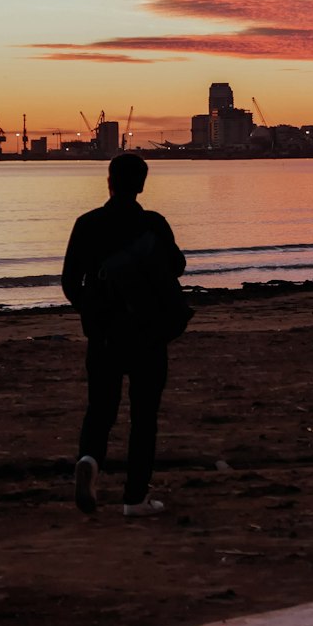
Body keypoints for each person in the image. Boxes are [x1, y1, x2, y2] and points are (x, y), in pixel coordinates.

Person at [62, 152, 186, 517]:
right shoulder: (153, 224)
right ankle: (134, 499)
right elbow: (177, 266)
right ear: (142, 185)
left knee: (100, 409)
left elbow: (70, 283)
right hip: (148, 332)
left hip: (104, 336)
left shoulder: (87, 224)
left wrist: (91, 312)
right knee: (144, 417)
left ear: (109, 181)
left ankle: (89, 460)